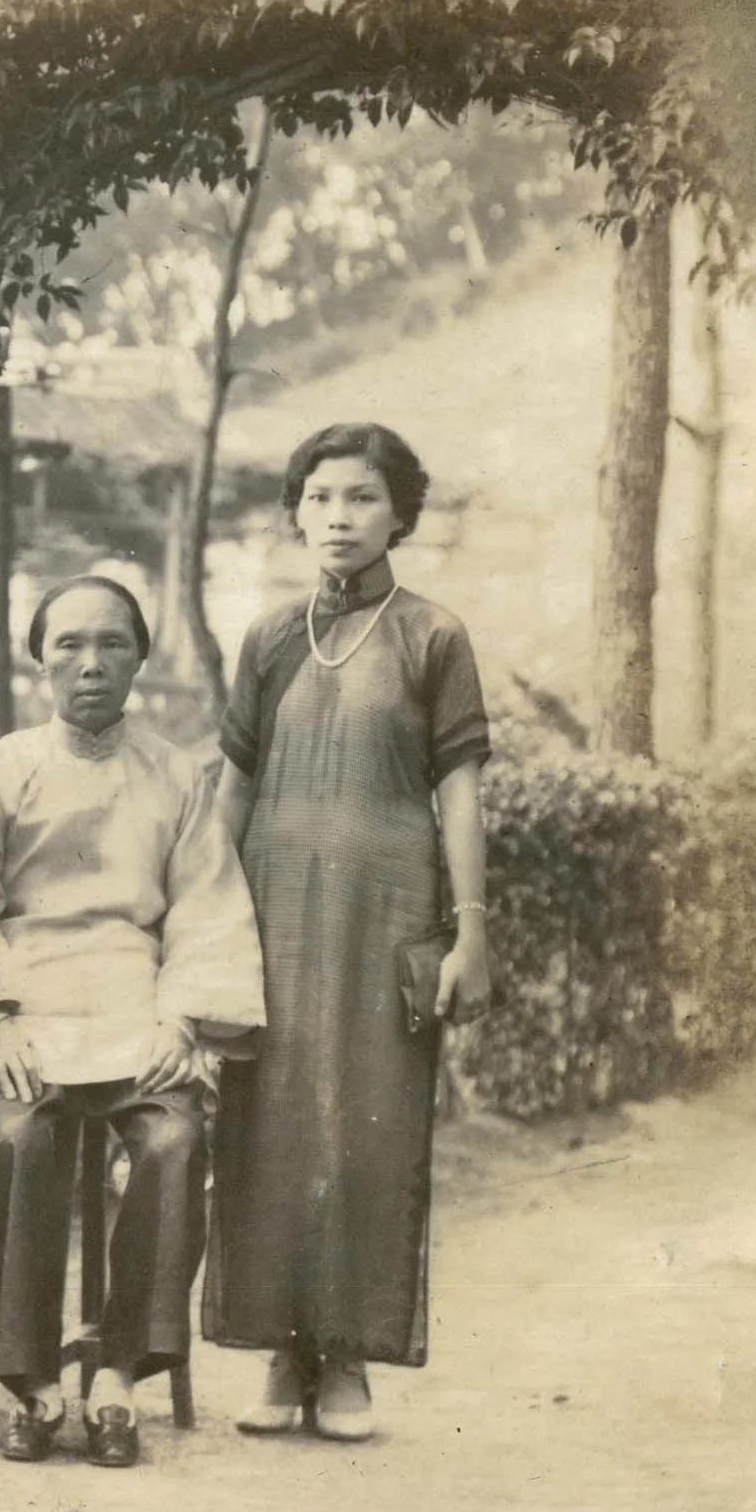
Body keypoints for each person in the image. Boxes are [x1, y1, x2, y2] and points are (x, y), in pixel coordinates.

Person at [204, 422, 493, 1442]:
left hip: (388, 918)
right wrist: (202, 922)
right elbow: (234, 788)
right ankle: (282, 1352)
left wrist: (471, 933)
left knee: (369, 1129)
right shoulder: (270, 638)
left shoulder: (433, 637)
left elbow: (460, 794)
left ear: (399, 513)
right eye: (320, 496)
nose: (338, 516)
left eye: (362, 497)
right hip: (273, 917)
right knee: (271, 1126)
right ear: (297, 511)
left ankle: (349, 1358)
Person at [0, 577, 264, 1468]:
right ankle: (35, 1385)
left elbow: (205, 905)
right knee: (18, 1137)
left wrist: (181, 1021)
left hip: (137, 1012)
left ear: (138, 658)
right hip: (24, 1010)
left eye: (113, 644)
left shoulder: (177, 776)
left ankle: (119, 1376)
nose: (91, 664)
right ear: (39, 660)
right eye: (69, 645)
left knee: (173, 1140)